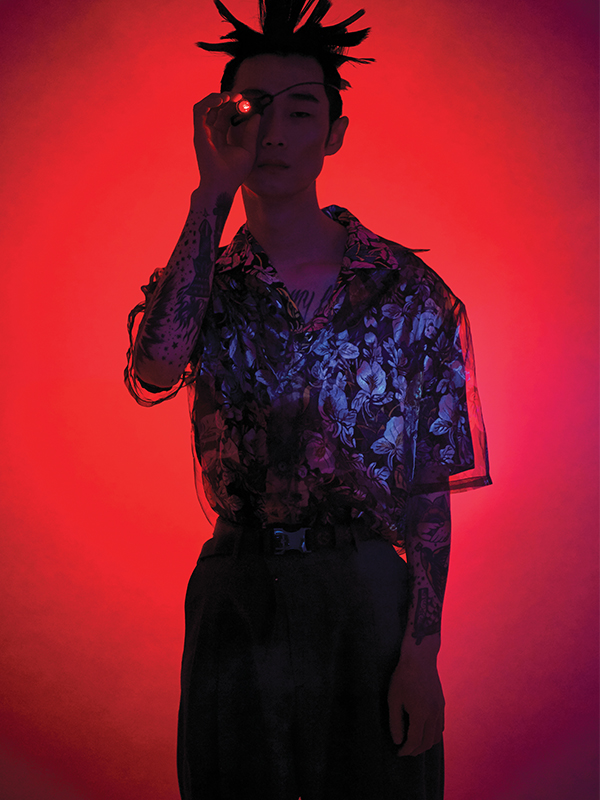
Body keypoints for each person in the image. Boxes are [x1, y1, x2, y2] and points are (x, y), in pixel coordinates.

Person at [125, 1, 491, 798]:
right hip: (239, 586)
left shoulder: (406, 292)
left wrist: (421, 655)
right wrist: (210, 194)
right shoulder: (205, 281)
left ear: (335, 133)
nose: (275, 133)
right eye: (253, 109)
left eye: (301, 111)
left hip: (365, 589)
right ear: (222, 123)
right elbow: (155, 366)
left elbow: (428, 491)